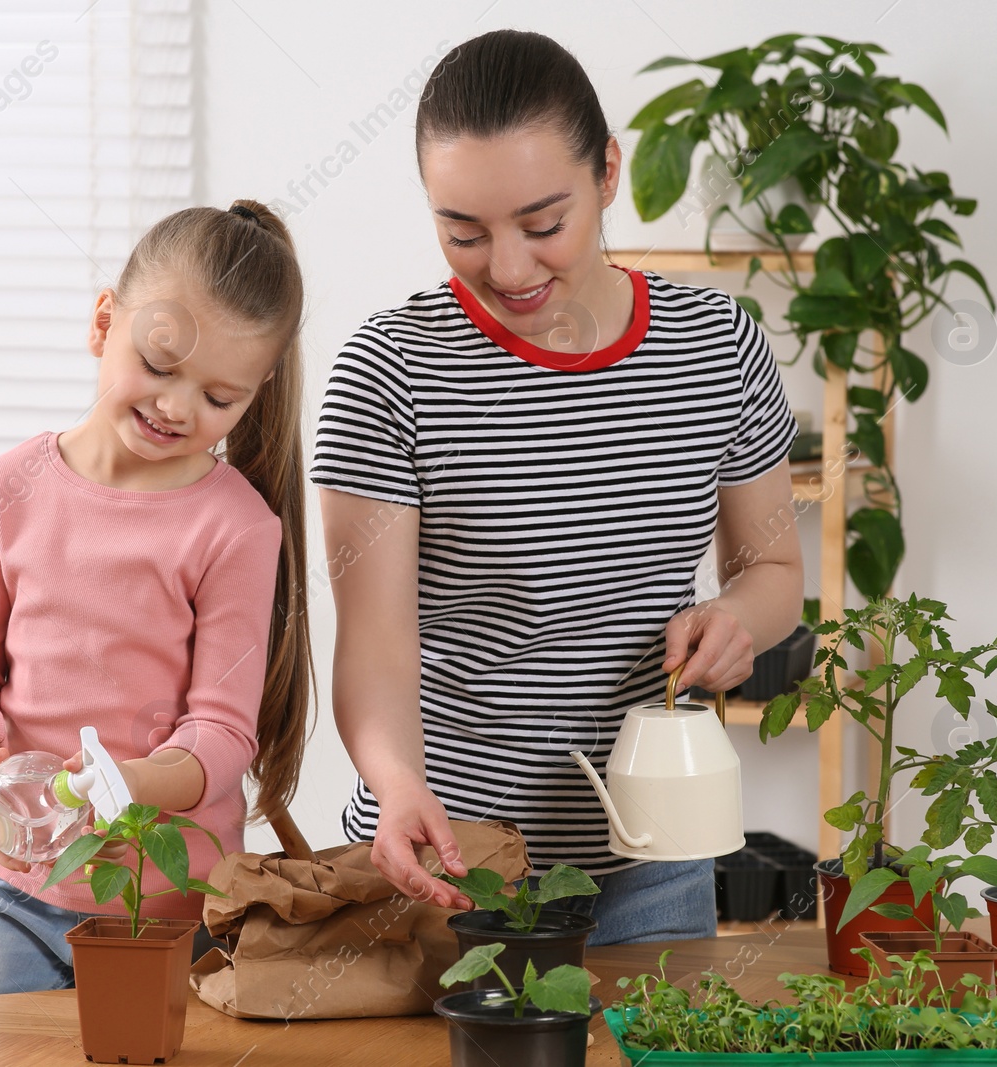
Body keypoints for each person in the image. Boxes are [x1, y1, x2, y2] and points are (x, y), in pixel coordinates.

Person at [311, 30, 804, 946]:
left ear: (609, 171)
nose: (507, 266)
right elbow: (374, 648)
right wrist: (397, 784)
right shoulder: (393, 372)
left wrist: (737, 620)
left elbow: (773, 568)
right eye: (462, 231)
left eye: (544, 224)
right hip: (449, 860)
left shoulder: (717, 346)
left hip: (655, 863)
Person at [0, 200, 312, 994]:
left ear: (256, 388)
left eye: (219, 397)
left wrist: (120, 784)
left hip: (177, 912)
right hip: (13, 893)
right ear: (105, 321)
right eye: (160, 366)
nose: (176, 407)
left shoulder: (236, 525)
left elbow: (222, 733)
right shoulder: (7, 489)